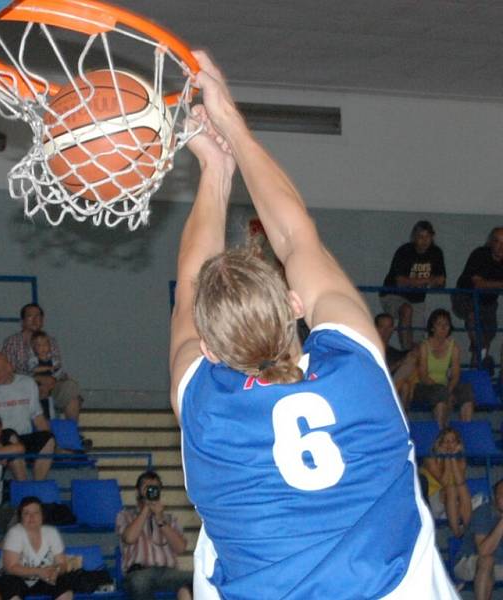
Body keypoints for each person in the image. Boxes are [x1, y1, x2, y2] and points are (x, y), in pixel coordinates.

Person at [168, 50, 457, 598]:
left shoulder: (204, 405)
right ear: (295, 304)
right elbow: (297, 236)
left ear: (208, 348)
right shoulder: (357, 368)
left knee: (212, 555)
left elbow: (187, 289)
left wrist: (213, 168)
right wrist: (229, 119)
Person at [0, 352, 55, 480]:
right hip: (0, 439)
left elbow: (38, 417)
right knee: (11, 436)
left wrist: (52, 439)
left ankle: (38, 483)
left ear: (10, 367)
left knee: (49, 439)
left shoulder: (28, 383)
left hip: (24, 436)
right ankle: (22, 486)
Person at [116, 470, 192, 600]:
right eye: (147, 487)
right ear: (138, 491)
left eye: (154, 488)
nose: (151, 490)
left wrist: (160, 520)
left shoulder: (169, 519)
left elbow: (180, 548)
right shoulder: (125, 516)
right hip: (139, 572)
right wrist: (146, 509)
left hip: (168, 572)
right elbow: (129, 538)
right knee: (140, 583)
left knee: (196, 578)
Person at [2, 304, 82, 422]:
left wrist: (52, 380)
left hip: (51, 386)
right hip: (23, 388)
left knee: (71, 389)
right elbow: (9, 373)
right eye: (30, 316)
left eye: (38, 316)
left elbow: (56, 367)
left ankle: (71, 433)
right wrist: (36, 379)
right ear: (22, 321)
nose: (35, 319)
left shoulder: (51, 342)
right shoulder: (11, 342)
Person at [379, 220, 446, 351]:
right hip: (393, 294)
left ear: (432, 237)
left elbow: (441, 280)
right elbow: (400, 281)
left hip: (417, 298)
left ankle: (412, 359)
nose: (424, 241)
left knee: (418, 341)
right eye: (421, 237)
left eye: (428, 237)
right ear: (414, 237)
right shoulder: (405, 251)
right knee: (406, 309)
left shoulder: (436, 253)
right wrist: (427, 280)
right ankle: (406, 352)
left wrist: (417, 281)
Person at [0, 496, 76, 600]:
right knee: (10, 585)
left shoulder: (52, 532)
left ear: (42, 516)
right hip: (16, 578)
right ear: (21, 517)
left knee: (64, 582)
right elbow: (10, 568)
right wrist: (39, 572)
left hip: (42, 579)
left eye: (36, 513)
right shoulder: (15, 533)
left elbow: (62, 564)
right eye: (26, 513)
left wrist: (55, 572)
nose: (31, 517)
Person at [451, 227, 503, 373]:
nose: (501, 247)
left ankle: (477, 370)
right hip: (466, 296)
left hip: (489, 303)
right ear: (490, 242)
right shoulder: (479, 255)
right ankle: (481, 357)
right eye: (497, 242)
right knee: (473, 319)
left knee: (486, 337)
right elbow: (478, 284)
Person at [413, 308, 475, 428]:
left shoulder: (454, 346)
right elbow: (423, 376)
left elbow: (456, 375)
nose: (443, 327)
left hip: (445, 387)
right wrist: (445, 391)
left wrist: (449, 389)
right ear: (432, 327)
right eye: (439, 324)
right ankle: (441, 431)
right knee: (440, 393)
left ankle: (466, 430)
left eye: (446, 324)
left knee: (466, 390)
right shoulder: (424, 346)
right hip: (425, 387)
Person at [454, 479, 503, 600]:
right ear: (495, 496)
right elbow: (483, 551)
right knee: (487, 561)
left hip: (499, 564)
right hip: (469, 561)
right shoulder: (483, 512)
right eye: (501, 494)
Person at [421, 427, 472, 538]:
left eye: (453, 441)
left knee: (461, 488)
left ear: (458, 444)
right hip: (431, 500)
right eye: (446, 441)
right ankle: (457, 532)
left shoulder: (461, 460)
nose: (449, 444)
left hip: (452, 502)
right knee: (451, 489)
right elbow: (445, 482)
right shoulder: (429, 459)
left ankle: (469, 530)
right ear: (439, 443)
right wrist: (447, 458)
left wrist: (453, 458)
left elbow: (460, 482)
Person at [374, 312, 417, 407]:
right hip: (374, 387)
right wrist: (398, 364)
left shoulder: (395, 353)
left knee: (405, 385)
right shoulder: (369, 350)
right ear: (375, 328)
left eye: (389, 327)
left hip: (393, 387)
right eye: (382, 327)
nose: (386, 331)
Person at [29, 330, 66, 418]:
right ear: (34, 348)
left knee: (50, 406)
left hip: (50, 388)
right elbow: (34, 370)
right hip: (38, 387)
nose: (43, 348)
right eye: (39, 345)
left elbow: (58, 372)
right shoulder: (33, 360)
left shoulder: (53, 361)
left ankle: (51, 418)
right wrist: (48, 368)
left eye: (45, 344)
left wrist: (58, 373)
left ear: (49, 346)